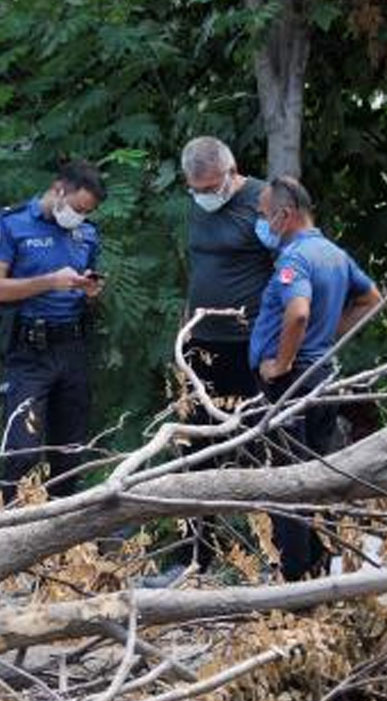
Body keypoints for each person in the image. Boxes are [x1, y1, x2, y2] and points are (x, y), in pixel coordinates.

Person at [250, 176, 382, 580]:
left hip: (292, 384)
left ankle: (295, 579)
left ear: (284, 215)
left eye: (263, 215)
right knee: (309, 473)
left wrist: (282, 363)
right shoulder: (334, 254)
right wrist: (330, 335)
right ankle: (316, 565)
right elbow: (373, 299)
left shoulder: (296, 259)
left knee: (290, 481)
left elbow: (298, 313)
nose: (261, 223)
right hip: (319, 376)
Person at [157, 137, 277, 578]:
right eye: (197, 189)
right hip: (201, 346)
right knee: (194, 450)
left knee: (266, 446)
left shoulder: (263, 202)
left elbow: (289, 268)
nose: (205, 196)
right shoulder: (196, 207)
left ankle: (279, 557)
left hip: (251, 346)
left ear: (232, 171)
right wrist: (185, 333)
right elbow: (199, 269)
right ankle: (194, 558)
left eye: (211, 187)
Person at [0, 159, 107, 502]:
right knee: (21, 453)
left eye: (87, 212)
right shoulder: (13, 224)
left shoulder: (87, 233)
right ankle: (9, 540)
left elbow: (88, 292)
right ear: (58, 189)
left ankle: (62, 549)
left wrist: (90, 292)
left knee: (69, 455)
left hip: (73, 347)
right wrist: (49, 282)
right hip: (29, 351)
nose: (79, 217)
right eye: (78, 208)